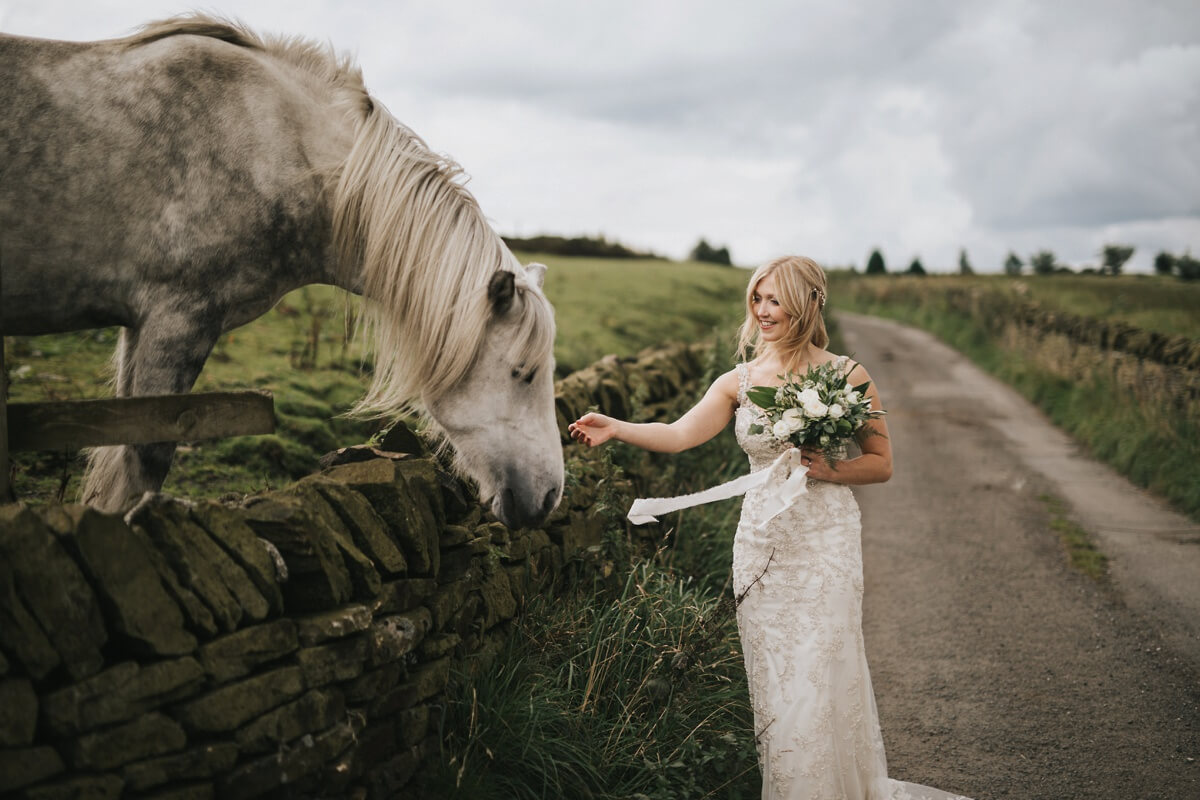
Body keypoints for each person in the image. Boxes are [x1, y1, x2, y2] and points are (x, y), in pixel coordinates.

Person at [568, 256, 971, 800]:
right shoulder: (740, 380)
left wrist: (832, 469)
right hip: (761, 541)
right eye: (756, 299)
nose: (761, 310)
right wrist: (616, 427)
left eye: (774, 300)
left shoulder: (846, 375)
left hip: (825, 538)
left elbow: (881, 462)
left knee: (821, 668)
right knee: (777, 680)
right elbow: (679, 433)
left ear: (806, 304)